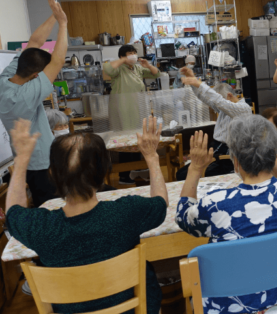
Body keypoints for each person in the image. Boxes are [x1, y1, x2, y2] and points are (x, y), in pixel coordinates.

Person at [5, 117, 168, 313]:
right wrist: (151, 156)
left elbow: (13, 210)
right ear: (103, 173)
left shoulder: (41, 228)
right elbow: (161, 202)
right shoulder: (127, 212)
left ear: (52, 175)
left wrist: (22, 160)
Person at [176, 116, 277, 313]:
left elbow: (182, 216)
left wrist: (195, 167)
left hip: (228, 307)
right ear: (273, 154)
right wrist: (271, 157)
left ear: (235, 162)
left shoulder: (215, 204)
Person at [0, 0, 68, 208]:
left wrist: (55, 15)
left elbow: (34, 41)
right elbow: (57, 61)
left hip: (25, 158)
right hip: (40, 162)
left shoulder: (6, 78)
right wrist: (63, 24)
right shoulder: (25, 96)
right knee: (50, 207)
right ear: (36, 75)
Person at [176, 69, 252, 180]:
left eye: (222, 99)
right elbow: (206, 99)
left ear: (229, 95)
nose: (219, 103)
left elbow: (218, 101)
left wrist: (199, 83)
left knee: (185, 176)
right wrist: (193, 82)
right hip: (216, 150)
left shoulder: (243, 109)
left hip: (225, 157)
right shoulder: (225, 108)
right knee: (181, 174)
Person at [103, 44, 161, 184]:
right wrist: (123, 60)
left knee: (138, 138)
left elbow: (156, 73)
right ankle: (124, 175)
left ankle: (137, 171)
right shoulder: (119, 69)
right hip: (123, 109)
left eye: (134, 53)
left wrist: (147, 64)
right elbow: (107, 69)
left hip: (138, 108)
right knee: (125, 140)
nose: (133, 55)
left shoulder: (138, 68)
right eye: (130, 53)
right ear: (122, 56)